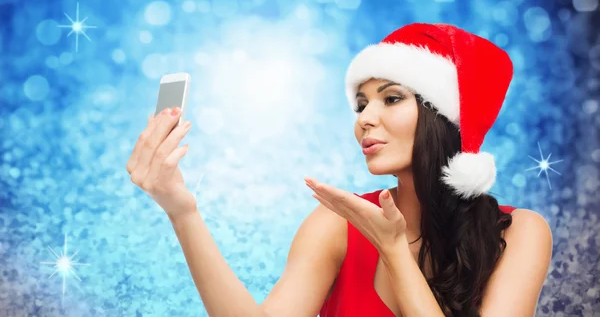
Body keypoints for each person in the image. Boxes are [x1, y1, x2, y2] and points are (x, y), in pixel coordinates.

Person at [126, 23, 553, 317]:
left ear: (442, 115)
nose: (364, 119)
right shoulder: (337, 224)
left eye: (390, 98)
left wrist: (391, 250)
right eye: (360, 104)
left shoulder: (519, 233)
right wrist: (182, 212)